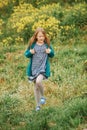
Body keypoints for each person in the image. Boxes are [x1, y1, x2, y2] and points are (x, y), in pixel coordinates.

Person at [24, 27, 54, 111]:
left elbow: (52, 54)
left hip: (43, 68)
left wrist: (49, 52)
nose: (41, 38)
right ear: (36, 36)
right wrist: (30, 52)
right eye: (39, 36)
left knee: (38, 81)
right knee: (36, 87)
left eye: (43, 36)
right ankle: (38, 106)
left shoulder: (47, 45)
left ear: (45, 37)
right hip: (34, 69)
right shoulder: (32, 44)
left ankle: (43, 96)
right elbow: (26, 54)